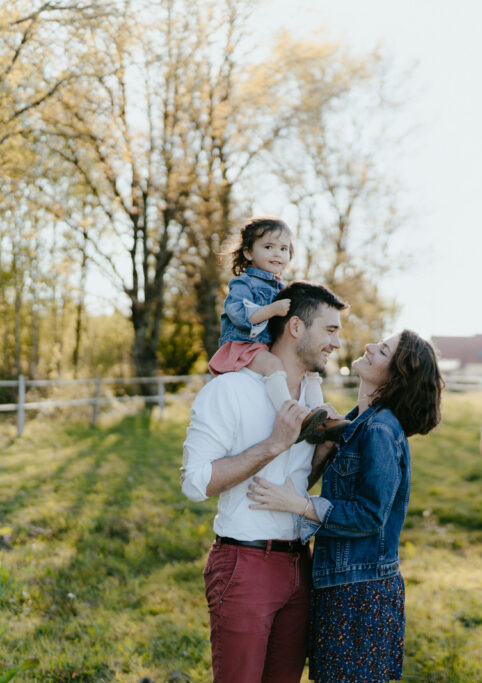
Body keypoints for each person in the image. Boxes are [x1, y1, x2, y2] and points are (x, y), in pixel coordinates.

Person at [247, 330, 444, 682]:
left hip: (361, 594)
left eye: (382, 351)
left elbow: (370, 515)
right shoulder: (360, 424)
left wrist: (299, 504)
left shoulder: (380, 430)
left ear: (395, 375)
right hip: (343, 586)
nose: (368, 347)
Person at [181, 281, 347, 682]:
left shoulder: (312, 399)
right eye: (330, 330)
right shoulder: (230, 390)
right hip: (244, 564)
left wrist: (322, 453)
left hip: (300, 565)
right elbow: (195, 483)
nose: (337, 344)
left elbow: (295, 481)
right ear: (294, 328)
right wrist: (273, 444)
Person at [208, 216, 328, 440]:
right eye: (269, 247)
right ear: (248, 252)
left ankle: (317, 417)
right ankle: (291, 417)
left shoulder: (281, 287)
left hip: (269, 345)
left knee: (309, 365)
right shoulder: (243, 283)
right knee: (272, 364)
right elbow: (239, 314)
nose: (277, 254)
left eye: (283, 249)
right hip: (245, 345)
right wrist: (272, 310)